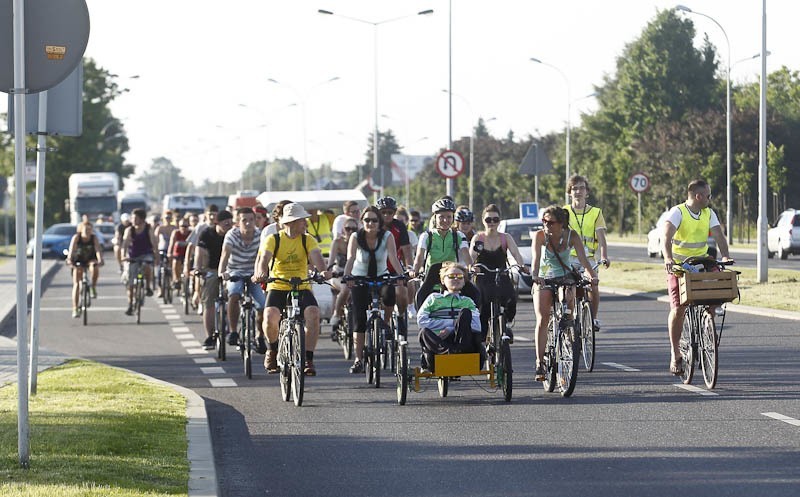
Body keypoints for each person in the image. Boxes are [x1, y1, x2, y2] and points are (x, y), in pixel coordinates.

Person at [661, 179, 731, 376]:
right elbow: (666, 237)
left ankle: (710, 315)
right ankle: (675, 354)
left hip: (700, 262)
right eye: (708, 195)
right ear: (699, 196)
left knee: (718, 287)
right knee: (678, 308)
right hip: (679, 266)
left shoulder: (709, 213)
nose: (711, 199)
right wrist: (668, 258)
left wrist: (725, 255)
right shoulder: (678, 212)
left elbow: (719, 236)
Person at [256, 203, 331, 376]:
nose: (306, 222)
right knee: (270, 317)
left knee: (313, 313)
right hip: (278, 284)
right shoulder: (273, 239)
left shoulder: (307, 239)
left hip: (302, 284)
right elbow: (264, 258)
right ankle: (272, 350)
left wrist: (324, 272)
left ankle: (308, 359)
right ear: (291, 222)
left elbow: (317, 258)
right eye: (302, 220)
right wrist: (261, 273)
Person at [531, 205, 598, 381]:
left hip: (564, 276)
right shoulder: (540, 236)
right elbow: (536, 259)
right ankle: (540, 363)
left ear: (561, 224)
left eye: (550, 222)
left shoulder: (571, 236)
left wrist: (593, 276)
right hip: (545, 278)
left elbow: (583, 259)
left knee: (569, 297)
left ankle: (568, 333)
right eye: (543, 221)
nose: (546, 225)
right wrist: (535, 276)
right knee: (543, 318)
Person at [342, 206, 404, 374]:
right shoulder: (356, 237)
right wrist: (347, 276)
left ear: (380, 222)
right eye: (367, 220)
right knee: (359, 318)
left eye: (374, 220)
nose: (370, 223)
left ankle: (385, 324)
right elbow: (351, 258)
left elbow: (393, 256)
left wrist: (400, 275)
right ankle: (358, 359)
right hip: (360, 277)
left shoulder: (387, 236)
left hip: (381, 275)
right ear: (362, 222)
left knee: (390, 294)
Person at [470, 204, 528, 342]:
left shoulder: (505, 238)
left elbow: (516, 254)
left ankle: (505, 324)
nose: (492, 223)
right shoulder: (478, 238)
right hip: (483, 277)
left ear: (499, 221)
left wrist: (522, 266)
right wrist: (471, 268)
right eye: (488, 220)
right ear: (483, 221)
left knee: (511, 298)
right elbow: (471, 257)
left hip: (501, 275)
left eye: (495, 219)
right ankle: (483, 336)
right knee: (482, 305)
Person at [411, 197, 478, 309]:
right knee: (420, 299)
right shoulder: (427, 236)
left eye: (449, 217)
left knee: (475, 294)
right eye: (441, 217)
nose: (445, 220)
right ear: (435, 217)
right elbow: (419, 257)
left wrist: (472, 267)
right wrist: (415, 271)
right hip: (431, 277)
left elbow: (467, 255)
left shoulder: (459, 235)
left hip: (453, 276)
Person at [564, 175, 611, 332]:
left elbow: (602, 239)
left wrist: (604, 256)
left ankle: (594, 318)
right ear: (569, 192)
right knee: (568, 288)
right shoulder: (564, 212)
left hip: (589, 259)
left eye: (581, 188)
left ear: (587, 192)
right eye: (574, 188)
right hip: (568, 259)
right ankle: (568, 318)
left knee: (593, 284)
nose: (578, 191)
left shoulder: (596, 213)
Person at [417, 262, 483, 373]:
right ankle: (449, 352)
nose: (456, 279)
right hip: (439, 342)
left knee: (465, 313)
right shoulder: (433, 298)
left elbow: (476, 326)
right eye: (451, 276)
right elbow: (421, 321)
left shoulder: (468, 301)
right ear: (443, 280)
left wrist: (451, 328)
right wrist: (449, 324)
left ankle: (456, 351)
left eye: (460, 277)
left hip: (463, 342)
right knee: (423, 332)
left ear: (464, 281)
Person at [218, 207, 267, 351]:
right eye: (244, 220)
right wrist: (222, 272)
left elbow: (266, 257)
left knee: (262, 305)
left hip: (254, 274)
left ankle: (259, 336)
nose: (248, 223)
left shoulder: (260, 236)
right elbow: (225, 255)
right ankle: (233, 331)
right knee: (234, 294)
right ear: (238, 222)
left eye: (251, 220)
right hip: (235, 271)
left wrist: (264, 273)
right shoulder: (231, 235)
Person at [195, 209, 234, 349]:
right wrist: (198, 269)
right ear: (217, 223)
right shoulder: (206, 233)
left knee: (234, 297)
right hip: (211, 269)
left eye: (231, 223)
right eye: (226, 224)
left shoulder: (234, 234)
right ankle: (209, 336)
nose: (229, 226)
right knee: (209, 303)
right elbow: (199, 253)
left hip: (230, 270)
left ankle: (233, 331)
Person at [376, 196, 413, 336]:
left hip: (393, 269)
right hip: (375, 270)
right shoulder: (372, 225)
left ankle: (400, 316)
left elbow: (407, 249)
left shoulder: (399, 226)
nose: (386, 215)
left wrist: (409, 268)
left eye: (390, 212)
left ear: (394, 213)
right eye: (383, 212)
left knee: (402, 294)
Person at [121, 208, 160, 316]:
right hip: (133, 256)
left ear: (142, 219)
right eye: (132, 218)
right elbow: (125, 244)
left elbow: (154, 243)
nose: (133, 220)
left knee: (147, 266)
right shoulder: (129, 230)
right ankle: (130, 304)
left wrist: (157, 257)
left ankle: (147, 286)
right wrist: (123, 255)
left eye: (135, 218)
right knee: (130, 283)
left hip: (146, 254)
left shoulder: (148, 228)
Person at [66, 221, 104, 317]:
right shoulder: (77, 238)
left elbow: (98, 250)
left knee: (94, 267)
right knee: (77, 283)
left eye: (89, 230)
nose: (88, 232)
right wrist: (69, 260)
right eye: (86, 230)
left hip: (90, 259)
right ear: (81, 230)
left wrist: (100, 260)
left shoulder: (93, 238)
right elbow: (71, 250)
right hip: (78, 260)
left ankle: (93, 287)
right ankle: (75, 308)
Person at [328, 217, 357, 335]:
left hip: (354, 274)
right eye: (347, 228)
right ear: (343, 230)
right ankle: (336, 314)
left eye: (353, 229)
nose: (350, 231)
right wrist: (330, 271)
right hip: (338, 274)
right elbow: (330, 262)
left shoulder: (359, 241)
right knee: (345, 289)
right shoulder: (337, 242)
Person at [155, 211, 177, 298]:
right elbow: (155, 240)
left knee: (172, 266)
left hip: (172, 250)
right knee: (160, 269)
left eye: (169, 218)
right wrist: (155, 250)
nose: (168, 220)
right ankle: (160, 288)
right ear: (163, 219)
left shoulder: (174, 228)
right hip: (162, 249)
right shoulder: (160, 228)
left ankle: (173, 281)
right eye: (166, 218)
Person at [168, 218, 191, 293]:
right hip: (178, 254)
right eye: (182, 226)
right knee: (175, 262)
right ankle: (176, 279)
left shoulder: (191, 233)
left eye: (186, 226)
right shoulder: (176, 233)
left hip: (187, 254)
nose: (184, 228)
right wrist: (169, 253)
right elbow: (171, 244)